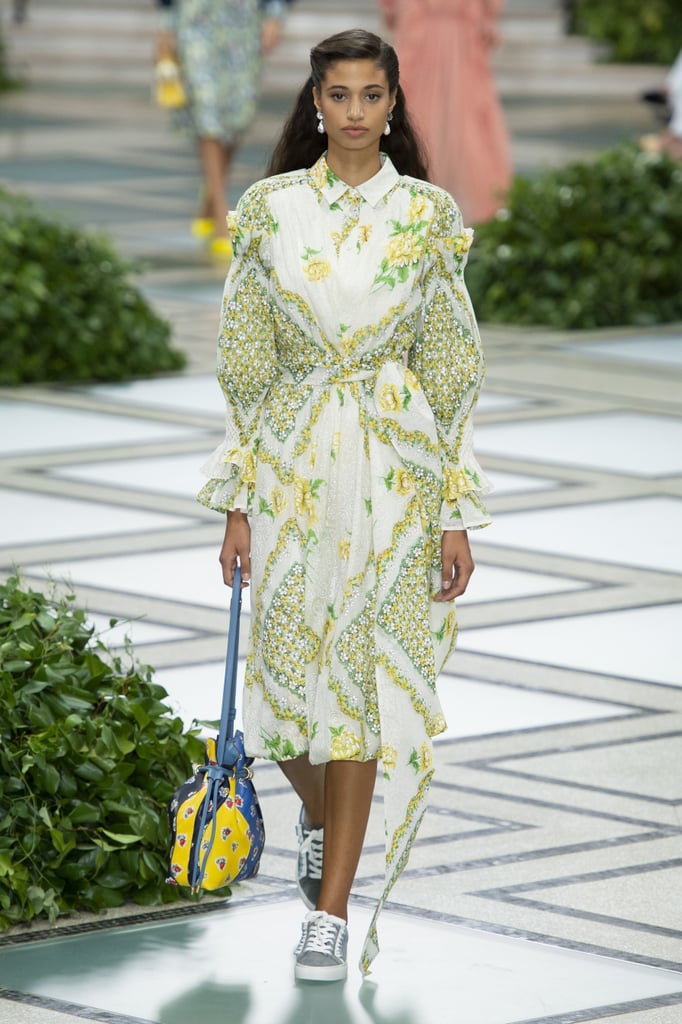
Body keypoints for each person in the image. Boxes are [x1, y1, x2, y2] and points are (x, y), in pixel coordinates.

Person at [197, 28, 491, 982]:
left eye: (372, 95)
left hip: (396, 476)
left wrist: (452, 509)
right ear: (314, 105)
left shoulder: (428, 215)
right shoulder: (270, 210)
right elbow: (244, 362)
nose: (356, 112)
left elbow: (451, 370)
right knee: (282, 694)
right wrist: (238, 502)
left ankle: (330, 912)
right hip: (290, 465)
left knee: (359, 691)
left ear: (394, 104)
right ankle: (323, 818)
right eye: (339, 95)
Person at [155, 0, 293, 257]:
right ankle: (221, 215)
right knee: (207, 112)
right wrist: (166, 24)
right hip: (195, 19)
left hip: (244, 19)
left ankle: (208, 200)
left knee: (238, 116)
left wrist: (276, 15)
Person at [377, 0, 512, 224]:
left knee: (424, 115)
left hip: (432, 35)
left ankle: (414, 197)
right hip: (445, 36)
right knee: (457, 120)